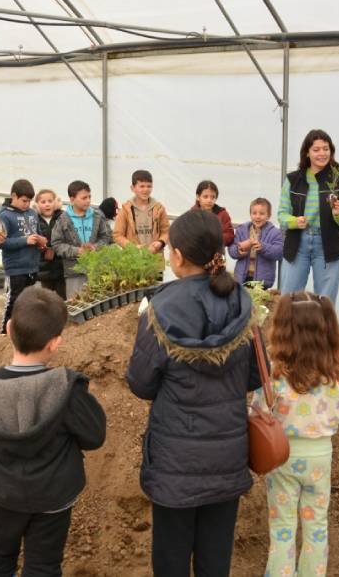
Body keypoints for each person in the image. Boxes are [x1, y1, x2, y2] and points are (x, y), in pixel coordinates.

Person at [126, 209, 261, 576]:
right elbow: (253, 377)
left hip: (175, 461)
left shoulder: (160, 308)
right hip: (227, 456)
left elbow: (141, 383)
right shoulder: (242, 303)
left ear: (179, 256)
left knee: (170, 557)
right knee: (215, 559)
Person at [0, 288, 107, 577]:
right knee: (44, 565)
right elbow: (94, 437)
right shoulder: (67, 389)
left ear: (9, 329)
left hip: (3, 494)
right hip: (54, 496)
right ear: (55, 343)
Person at [253, 292, 339, 577]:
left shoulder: (274, 371)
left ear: (283, 325)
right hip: (320, 457)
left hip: (281, 456)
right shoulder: (338, 372)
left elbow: (259, 410)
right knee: (316, 526)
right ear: (327, 326)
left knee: (282, 528)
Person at [277, 129, 339, 304]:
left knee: (325, 302)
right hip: (297, 243)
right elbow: (281, 215)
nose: (322, 153)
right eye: (316, 149)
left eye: (326, 149)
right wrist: (295, 221)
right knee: (288, 300)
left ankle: (322, 332)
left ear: (331, 151)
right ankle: (289, 332)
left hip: (327, 245)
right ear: (307, 152)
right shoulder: (293, 179)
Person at [0, 179, 48, 334]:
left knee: (27, 302)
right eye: (24, 200)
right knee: (13, 301)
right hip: (15, 268)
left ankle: (22, 330)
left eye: (29, 201)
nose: (27, 204)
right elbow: (1, 243)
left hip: (32, 265)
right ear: (14, 196)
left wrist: (41, 241)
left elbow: (38, 233)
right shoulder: (4, 216)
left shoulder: (32, 213)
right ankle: (4, 333)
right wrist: (25, 240)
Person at [50, 180, 113, 300]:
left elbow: (106, 237)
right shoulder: (63, 219)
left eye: (89, 197)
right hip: (74, 273)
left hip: (96, 270)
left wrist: (95, 247)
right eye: (84, 198)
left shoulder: (97, 216)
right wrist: (77, 251)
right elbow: (56, 244)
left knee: (98, 307)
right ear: (72, 199)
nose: (88, 200)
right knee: (77, 306)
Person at [228, 198, 284, 288]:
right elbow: (232, 251)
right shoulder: (242, 230)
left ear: (268, 216)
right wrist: (239, 250)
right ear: (250, 214)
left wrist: (263, 247)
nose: (257, 216)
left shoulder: (274, 232)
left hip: (261, 281)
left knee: (257, 301)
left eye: (262, 214)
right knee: (242, 300)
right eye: (254, 213)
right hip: (242, 277)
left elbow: (279, 252)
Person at [113, 169, 170, 253]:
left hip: (155, 259)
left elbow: (167, 231)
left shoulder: (159, 208)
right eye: (142, 186)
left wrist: (160, 242)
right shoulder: (125, 209)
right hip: (134, 260)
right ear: (132, 188)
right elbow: (117, 235)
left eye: (149, 186)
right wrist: (132, 247)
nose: (146, 190)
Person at [35, 189, 67, 299]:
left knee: (62, 298)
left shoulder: (62, 217)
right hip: (43, 268)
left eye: (50, 201)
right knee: (46, 300)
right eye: (43, 202)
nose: (47, 204)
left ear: (56, 203)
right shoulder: (34, 219)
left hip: (61, 267)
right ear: (37, 205)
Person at [192, 180, 234, 247]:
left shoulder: (223, 214)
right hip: (195, 254)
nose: (209, 200)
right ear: (198, 197)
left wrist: (214, 240)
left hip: (216, 255)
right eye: (205, 196)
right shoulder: (191, 214)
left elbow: (229, 235)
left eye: (213, 197)